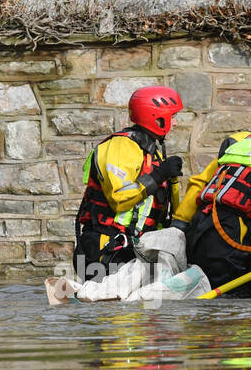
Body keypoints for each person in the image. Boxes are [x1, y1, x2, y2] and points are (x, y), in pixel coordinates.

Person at [170, 128, 251, 298]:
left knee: (206, 302)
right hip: (229, 234)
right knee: (229, 308)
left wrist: (180, 223)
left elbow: (199, 182)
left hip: (199, 226)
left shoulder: (250, 142)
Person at [75, 85, 185, 272]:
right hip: (107, 248)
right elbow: (119, 198)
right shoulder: (121, 146)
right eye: (172, 117)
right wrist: (159, 175)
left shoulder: (148, 151)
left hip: (132, 249)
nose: (175, 123)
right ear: (156, 117)